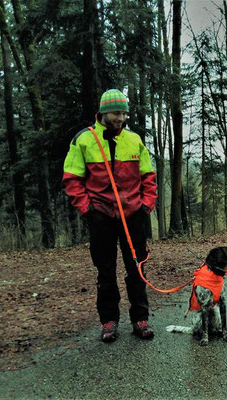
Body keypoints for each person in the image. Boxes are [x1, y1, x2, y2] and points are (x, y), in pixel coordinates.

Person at [62, 89, 157, 342]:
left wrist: (146, 205)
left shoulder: (134, 140)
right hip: (100, 216)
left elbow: (148, 177)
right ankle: (109, 321)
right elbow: (72, 179)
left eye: (124, 113)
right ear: (104, 112)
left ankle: (140, 318)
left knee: (137, 268)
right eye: (117, 113)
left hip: (133, 215)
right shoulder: (83, 140)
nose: (122, 118)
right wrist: (88, 210)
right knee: (105, 271)